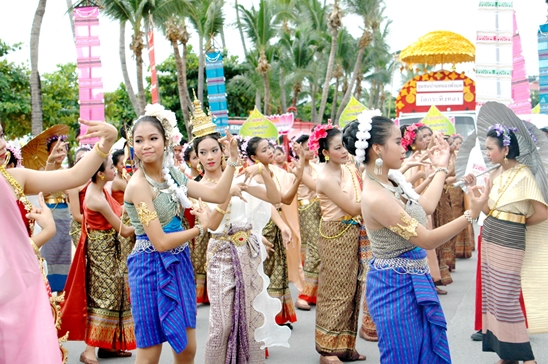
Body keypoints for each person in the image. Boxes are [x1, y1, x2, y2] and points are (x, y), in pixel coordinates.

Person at [342, 113, 489, 363]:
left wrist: (441, 166)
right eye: (398, 142)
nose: (404, 148)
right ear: (377, 148)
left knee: (426, 349)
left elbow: (427, 206)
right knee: (406, 354)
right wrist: (470, 215)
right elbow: (427, 240)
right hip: (394, 286)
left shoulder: (391, 180)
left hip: (413, 278)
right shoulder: (376, 196)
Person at [123, 103, 240, 364]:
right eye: (139, 140)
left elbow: (217, 194)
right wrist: (199, 229)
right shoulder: (138, 185)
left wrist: (232, 160)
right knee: (150, 349)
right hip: (148, 265)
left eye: (153, 138)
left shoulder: (173, 174)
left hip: (179, 264)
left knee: (187, 347)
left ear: (166, 141)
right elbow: (161, 242)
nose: (146, 145)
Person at [0, 119, 119, 362]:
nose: (2, 144)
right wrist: (46, 231)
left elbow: (74, 176)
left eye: (1, 134)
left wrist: (105, 143)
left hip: (22, 291)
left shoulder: (13, 178)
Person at [193, 129, 290, 363]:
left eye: (214, 150)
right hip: (220, 254)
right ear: (196, 158)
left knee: (248, 320)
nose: (210, 156)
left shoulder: (236, 177)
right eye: (203, 152)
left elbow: (275, 198)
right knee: (222, 325)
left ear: (223, 151)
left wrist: (261, 170)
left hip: (247, 252)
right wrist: (227, 194)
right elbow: (212, 224)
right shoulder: (199, 187)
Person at [462, 123, 548, 364]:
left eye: (490, 148)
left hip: (510, 236)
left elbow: (542, 213)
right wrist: (472, 192)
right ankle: (507, 355)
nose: (487, 153)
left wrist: (517, 224)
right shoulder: (494, 173)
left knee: (507, 297)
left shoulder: (524, 174)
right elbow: (489, 208)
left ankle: (528, 359)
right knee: (493, 295)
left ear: (506, 149)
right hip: (490, 231)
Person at [61, 156, 137, 363]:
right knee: (105, 296)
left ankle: (107, 345)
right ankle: (89, 351)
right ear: (101, 173)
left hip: (110, 249)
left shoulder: (101, 190)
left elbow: (119, 211)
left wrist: (136, 205)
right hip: (101, 252)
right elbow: (123, 230)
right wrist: (145, 222)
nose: (115, 169)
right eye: (111, 167)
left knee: (119, 292)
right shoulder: (95, 197)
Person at [307, 123, 365, 364]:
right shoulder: (324, 177)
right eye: (338, 148)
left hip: (354, 232)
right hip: (335, 233)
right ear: (325, 152)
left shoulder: (349, 168)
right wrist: (380, 200)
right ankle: (327, 350)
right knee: (335, 292)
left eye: (344, 146)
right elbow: (352, 207)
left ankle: (346, 346)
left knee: (352, 291)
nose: (344, 151)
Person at [246, 136, 302, 327]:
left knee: (278, 271)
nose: (270, 151)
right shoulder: (256, 176)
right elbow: (261, 206)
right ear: (254, 157)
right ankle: (267, 319)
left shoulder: (271, 171)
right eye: (263, 150)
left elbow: (283, 200)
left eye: (269, 147)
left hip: (276, 224)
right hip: (264, 227)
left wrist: (299, 178)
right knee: (266, 274)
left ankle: (277, 317)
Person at [39, 134, 73, 291]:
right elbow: (42, 191)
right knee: (49, 253)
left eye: (63, 149)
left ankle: (62, 293)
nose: (61, 153)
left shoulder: (69, 172)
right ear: (49, 152)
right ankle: (48, 289)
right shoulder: (42, 170)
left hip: (65, 214)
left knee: (65, 253)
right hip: (50, 214)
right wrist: (50, 163)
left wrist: (69, 192)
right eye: (56, 150)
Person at [292, 134, 323, 311]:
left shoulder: (316, 167)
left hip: (319, 208)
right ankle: (303, 294)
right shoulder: (297, 168)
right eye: (307, 147)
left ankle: (313, 293)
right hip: (306, 210)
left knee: (319, 251)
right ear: (299, 150)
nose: (311, 150)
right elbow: (316, 187)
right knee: (315, 250)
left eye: (312, 146)